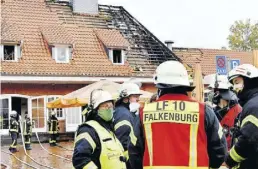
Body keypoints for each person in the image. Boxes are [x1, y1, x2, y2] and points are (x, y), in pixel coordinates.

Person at [140, 61, 227, 168]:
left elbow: (134, 151)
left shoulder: (145, 112)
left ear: (159, 87)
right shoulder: (204, 111)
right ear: (185, 85)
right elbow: (220, 149)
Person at [72, 89, 126, 169]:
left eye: (110, 106)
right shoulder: (88, 130)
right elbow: (80, 159)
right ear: (95, 109)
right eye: (105, 106)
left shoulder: (108, 130)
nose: (109, 108)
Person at [225, 64, 258, 169]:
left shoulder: (253, 106)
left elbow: (248, 140)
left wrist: (230, 160)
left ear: (249, 81)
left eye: (237, 82)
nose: (234, 88)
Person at [113, 82, 144, 169]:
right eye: (135, 96)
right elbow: (123, 141)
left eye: (138, 96)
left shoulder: (123, 112)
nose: (138, 99)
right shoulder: (124, 115)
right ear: (125, 99)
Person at [209, 76, 242, 149]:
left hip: (231, 152)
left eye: (215, 91)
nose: (214, 94)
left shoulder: (238, 111)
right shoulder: (214, 112)